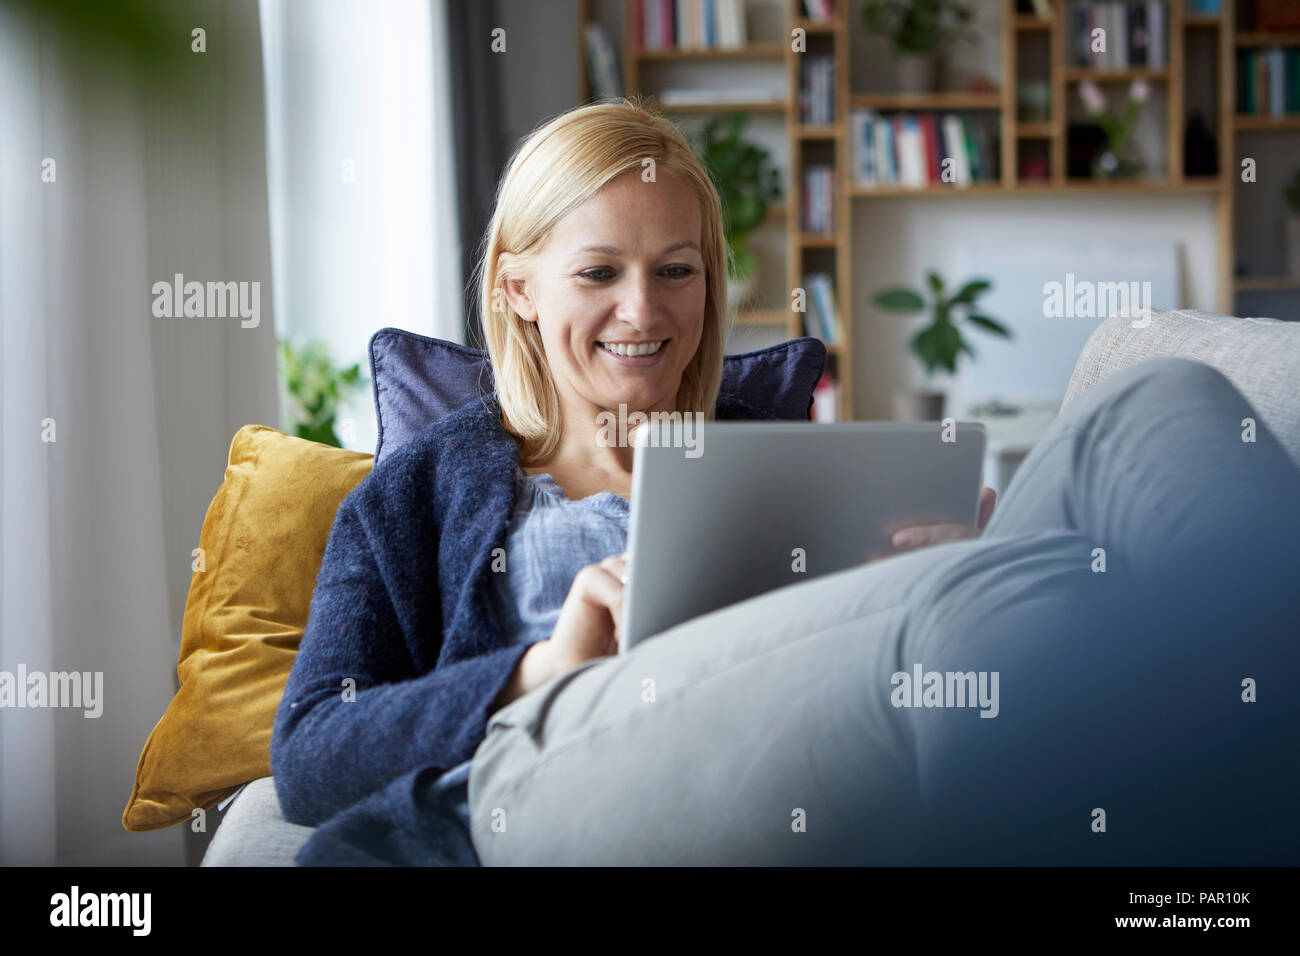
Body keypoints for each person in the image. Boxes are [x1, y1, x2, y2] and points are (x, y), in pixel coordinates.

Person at [272, 100, 1300, 866]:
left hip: (810, 739)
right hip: (542, 783)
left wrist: (945, 563)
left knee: (1159, 401)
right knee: (978, 619)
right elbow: (309, 753)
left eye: (676, 269)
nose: (644, 310)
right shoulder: (416, 493)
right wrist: (539, 667)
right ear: (518, 285)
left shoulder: (776, 456)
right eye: (598, 273)